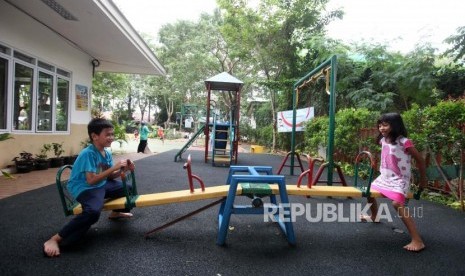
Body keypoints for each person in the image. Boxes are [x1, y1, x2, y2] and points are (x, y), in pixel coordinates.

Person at [43, 118, 134, 257]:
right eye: (108, 134)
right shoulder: (88, 154)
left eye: (112, 134)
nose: (111, 138)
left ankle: (115, 213)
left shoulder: (106, 153)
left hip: (101, 183)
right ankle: (54, 239)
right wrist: (114, 168)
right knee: (93, 212)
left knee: (127, 188)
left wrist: (125, 169)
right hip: (85, 188)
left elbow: (110, 176)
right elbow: (91, 181)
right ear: (94, 136)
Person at [363, 112, 427, 252]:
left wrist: (423, 181)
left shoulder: (404, 142)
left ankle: (417, 240)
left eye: (385, 125)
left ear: (395, 125)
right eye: (380, 125)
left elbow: (420, 161)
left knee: (397, 203)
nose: (381, 128)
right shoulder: (383, 140)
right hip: (384, 177)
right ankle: (374, 216)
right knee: (369, 192)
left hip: (400, 179)